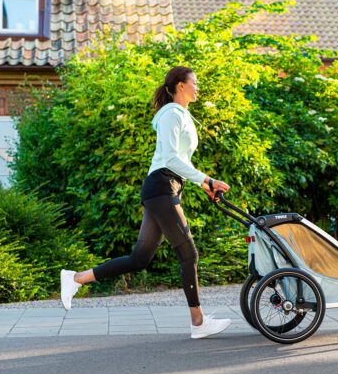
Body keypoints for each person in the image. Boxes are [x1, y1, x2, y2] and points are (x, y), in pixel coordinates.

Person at [60, 66, 232, 339]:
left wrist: (203, 184)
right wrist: (208, 179)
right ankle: (198, 323)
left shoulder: (181, 114)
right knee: (189, 254)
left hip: (167, 187)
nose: (198, 87)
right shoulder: (170, 115)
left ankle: (76, 278)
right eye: (194, 83)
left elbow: (180, 162)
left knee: (140, 258)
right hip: (162, 186)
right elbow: (173, 160)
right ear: (180, 85)